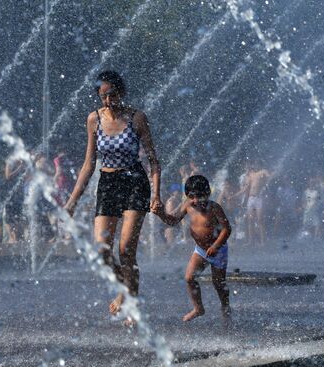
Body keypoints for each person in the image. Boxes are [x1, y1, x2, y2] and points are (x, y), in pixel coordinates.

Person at [64, 70, 162, 319]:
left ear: (122, 92)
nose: (108, 101)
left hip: (134, 182)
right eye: (103, 96)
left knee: (126, 249)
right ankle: (124, 287)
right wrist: (71, 202)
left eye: (113, 94)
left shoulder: (136, 118)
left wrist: (156, 194)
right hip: (108, 183)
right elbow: (89, 163)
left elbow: (153, 159)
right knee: (101, 251)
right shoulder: (93, 120)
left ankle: (132, 303)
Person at [154, 175, 232, 322]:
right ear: (187, 196)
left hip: (218, 251)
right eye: (192, 197)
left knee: (219, 283)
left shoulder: (214, 208)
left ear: (208, 193)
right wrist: (161, 214)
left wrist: (216, 245)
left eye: (200, 197)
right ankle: (198, 308)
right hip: (201, 250)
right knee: (189, 277)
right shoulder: (188, 205)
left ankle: (225, 307)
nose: (196, 201)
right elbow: (173, 221)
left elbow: (227, 229)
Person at [236, 160, 271, 246]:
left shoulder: (263, 171)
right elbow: (246, 188)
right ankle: (251, 241)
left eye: (257, 164)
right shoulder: (251, 175)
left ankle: (263, 242)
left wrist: (266, 180)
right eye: (254, 164)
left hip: (259, 198)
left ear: (260, 165)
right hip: (251, 198)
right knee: (250, 220)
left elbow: (269, 177)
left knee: (260, 220)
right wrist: (235, 196)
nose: (255, 165)